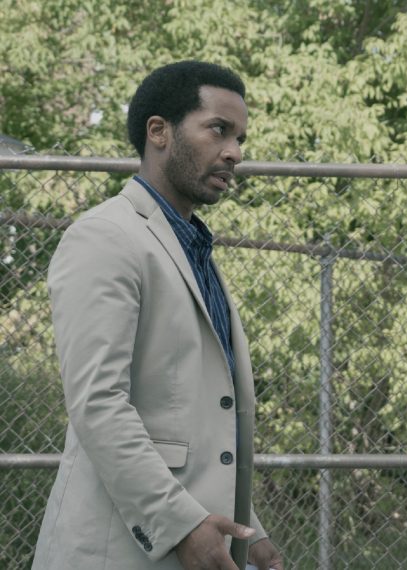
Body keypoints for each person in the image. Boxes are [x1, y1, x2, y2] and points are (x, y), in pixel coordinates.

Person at [32, 61, 283, 570]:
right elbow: (98, 404)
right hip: (116, 551)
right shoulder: (105, 237)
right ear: (159, 131)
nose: (234, 152)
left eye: (239, 138)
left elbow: (200, 426)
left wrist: (246, 531)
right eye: (218, 129)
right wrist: (182, 524)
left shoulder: (192, 247)